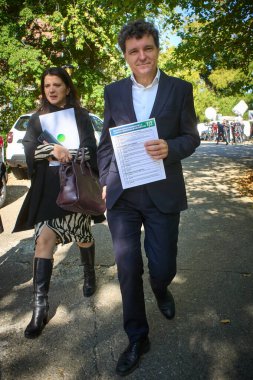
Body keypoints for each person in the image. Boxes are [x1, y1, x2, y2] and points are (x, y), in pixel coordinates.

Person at [97, 20, 200, 376]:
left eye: (148, 48)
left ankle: (161, 287)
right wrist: (104, 180)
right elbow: (106, 142)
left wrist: (171, 147)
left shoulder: (180, 89)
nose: (142, 56)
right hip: (123, 195)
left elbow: (192, 137)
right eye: (133, 51)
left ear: (157, 49)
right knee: (127, 268)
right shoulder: (113, 92)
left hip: (162, 193)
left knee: (163, 265)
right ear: (125, 55)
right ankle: (138, 336)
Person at [13, 67, 99, 339]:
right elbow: (29, 148)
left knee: (83, 235)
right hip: (48, 189)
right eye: (47, 85)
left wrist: (68, 153)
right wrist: (52, 149)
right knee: (43, 240)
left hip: (75, 184)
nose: (51, 90)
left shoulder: (81, 116)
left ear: (67, 88)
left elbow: (90, 150)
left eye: (57, 85)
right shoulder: (37, 120)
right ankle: (40, 308)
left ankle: (89, 274)